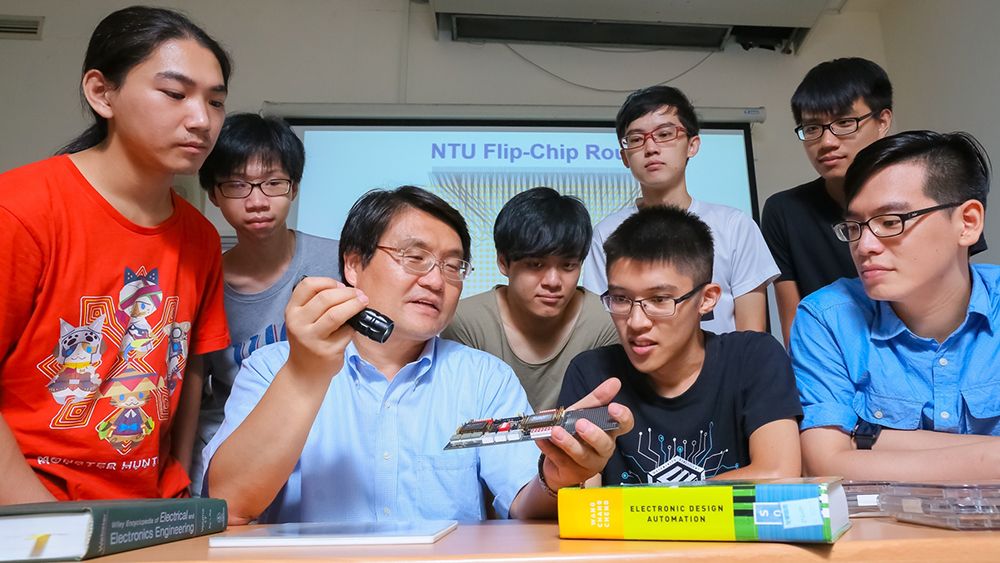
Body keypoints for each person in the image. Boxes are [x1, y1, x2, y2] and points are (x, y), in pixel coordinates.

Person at [202, 186, 634, 524]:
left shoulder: (483, 378)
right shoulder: (274, 366)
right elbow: (229, 505)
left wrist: (556, 479)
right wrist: (304, 375)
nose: (436, 281)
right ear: (353, 264)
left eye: (452, 266)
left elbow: (524, 502)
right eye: (414, 258)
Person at [0, 6, 231, 504]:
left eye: (215, 102)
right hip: (33, 508)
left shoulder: (200, 236)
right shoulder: (19, 209)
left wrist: (176, 488)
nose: (202, 120)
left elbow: (188, 367)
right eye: (175, 94)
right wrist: (41, 521)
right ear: (102, 93)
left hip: (149, 512)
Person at [793, 131, 1000, 480]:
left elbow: (843, 458)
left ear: (967, 223)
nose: (864, 246)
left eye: (891, 222)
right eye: (855, 227)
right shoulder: (827, 317)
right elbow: (825, 465)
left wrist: (868, 439)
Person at [562, 205, 801, 485]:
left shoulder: (754, 358)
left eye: (660, 300)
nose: (636, 322)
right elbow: (581, 495)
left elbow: (778, 474)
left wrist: (658, 503)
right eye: (621, 299)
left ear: (707, 299)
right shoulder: (592, 374)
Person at [188, 113, 341, 495]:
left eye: (273, 183)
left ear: (294, 188)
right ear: (214, 194)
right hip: (236, 449)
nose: (257, 201)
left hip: (326, 442)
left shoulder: (339, 263)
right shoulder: (201, 282)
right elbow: (193, 384)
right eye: (237, 185)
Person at [582, 86, 778, 334]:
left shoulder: (735, 227)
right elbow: (606, 328)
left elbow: (752, 336)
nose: (651, 148)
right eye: (636, 139)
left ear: (692, 145)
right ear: (624, 157)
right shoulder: (606, 233)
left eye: (664, 134)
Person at [442, 187, 618, 411]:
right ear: (503, 263)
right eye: (536, 265)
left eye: (568, 266)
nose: (553, 281)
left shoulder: (605, 322)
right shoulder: (466, 322)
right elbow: (460, 412)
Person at [761, 58, 894, 344]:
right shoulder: (783, 211)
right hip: (828, 360)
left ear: (882, 121)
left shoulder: (927, 195)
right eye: (812, 128)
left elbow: (952, 302)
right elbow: (795, 329)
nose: (827, 142)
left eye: (844, 123)